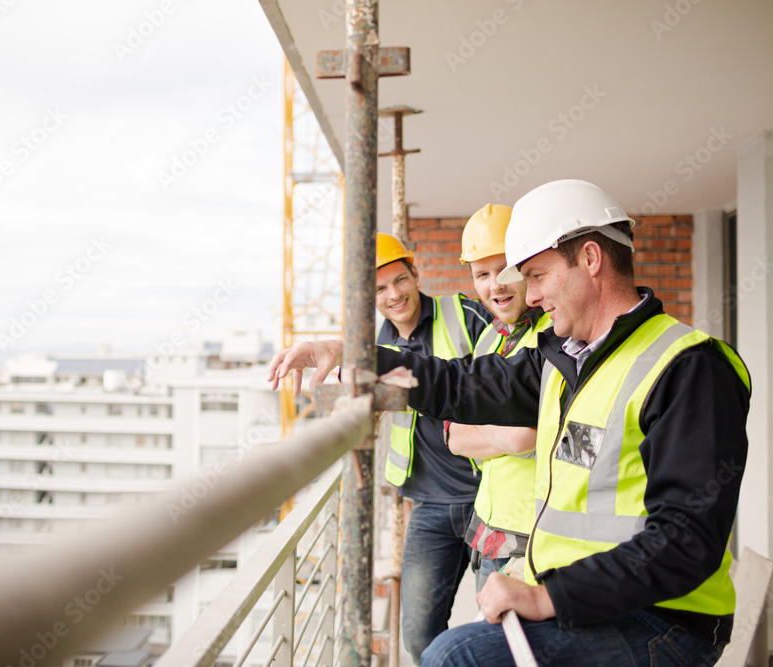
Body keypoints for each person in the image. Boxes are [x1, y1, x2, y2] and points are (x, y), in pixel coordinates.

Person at [268, 179, 750, 666]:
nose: (531, 295)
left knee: (454, 656)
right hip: (586, 600)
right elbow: (460, 384)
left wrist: (548, 598)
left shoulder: (689, 368)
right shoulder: (564, 362)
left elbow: (687, 541)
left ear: (589, 259)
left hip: (662, 621)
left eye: (537, 275)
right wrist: (354, 353)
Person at [373, 232, 491, 663]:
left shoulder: (465, 315)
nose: (394, 295)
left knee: (501, 628)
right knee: (419, 636)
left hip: (490, 497)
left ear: (416, 275)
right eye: (380, 289)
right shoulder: (377, 349)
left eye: (400, 280)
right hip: (429, 505)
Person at [445, 204, 551, 593]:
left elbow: (526, 437)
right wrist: (503, 435)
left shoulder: (555, 334)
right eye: (482, 275)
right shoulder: (490, 336)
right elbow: (454, 437)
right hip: (487, 531)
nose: (495, 286)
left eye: (505, 270)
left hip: (531, 541)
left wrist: (485, 428)